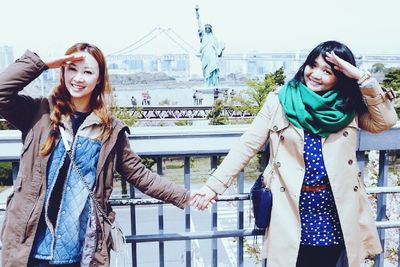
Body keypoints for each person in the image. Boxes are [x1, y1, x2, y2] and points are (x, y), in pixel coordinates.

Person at [191, 41, 397, 267]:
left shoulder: (347, 106)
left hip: (336, 210)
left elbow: (384, 121)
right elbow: (247, 145)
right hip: (290, 206)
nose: (315, 74)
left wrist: (362, 78)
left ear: (341, 78)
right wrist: (213, 186)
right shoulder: (280, 100)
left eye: (327, 71)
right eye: (312, 65)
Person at [0, 43, 198, 267]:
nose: (78, 78)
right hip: (28, 248)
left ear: (99, 79)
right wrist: (43, 64)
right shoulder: (39, 112)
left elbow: (141, 175)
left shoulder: (109, 129)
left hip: (79, 251)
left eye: (88, 72)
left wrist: (185, 196)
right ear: (62, 71)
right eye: (72, 69)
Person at [195, 5, 225, 87]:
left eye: (208, 28)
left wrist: (221, 50)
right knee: (206, 69)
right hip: (205, 55)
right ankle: (207, 82)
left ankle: (214, 82)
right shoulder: (203, 36)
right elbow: (199, 25)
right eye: (206, 28)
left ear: (210, 29)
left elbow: (218, 49)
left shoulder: (214, 37)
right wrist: (197, 13)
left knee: (213, 67)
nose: (207, 29)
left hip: (212, 55)